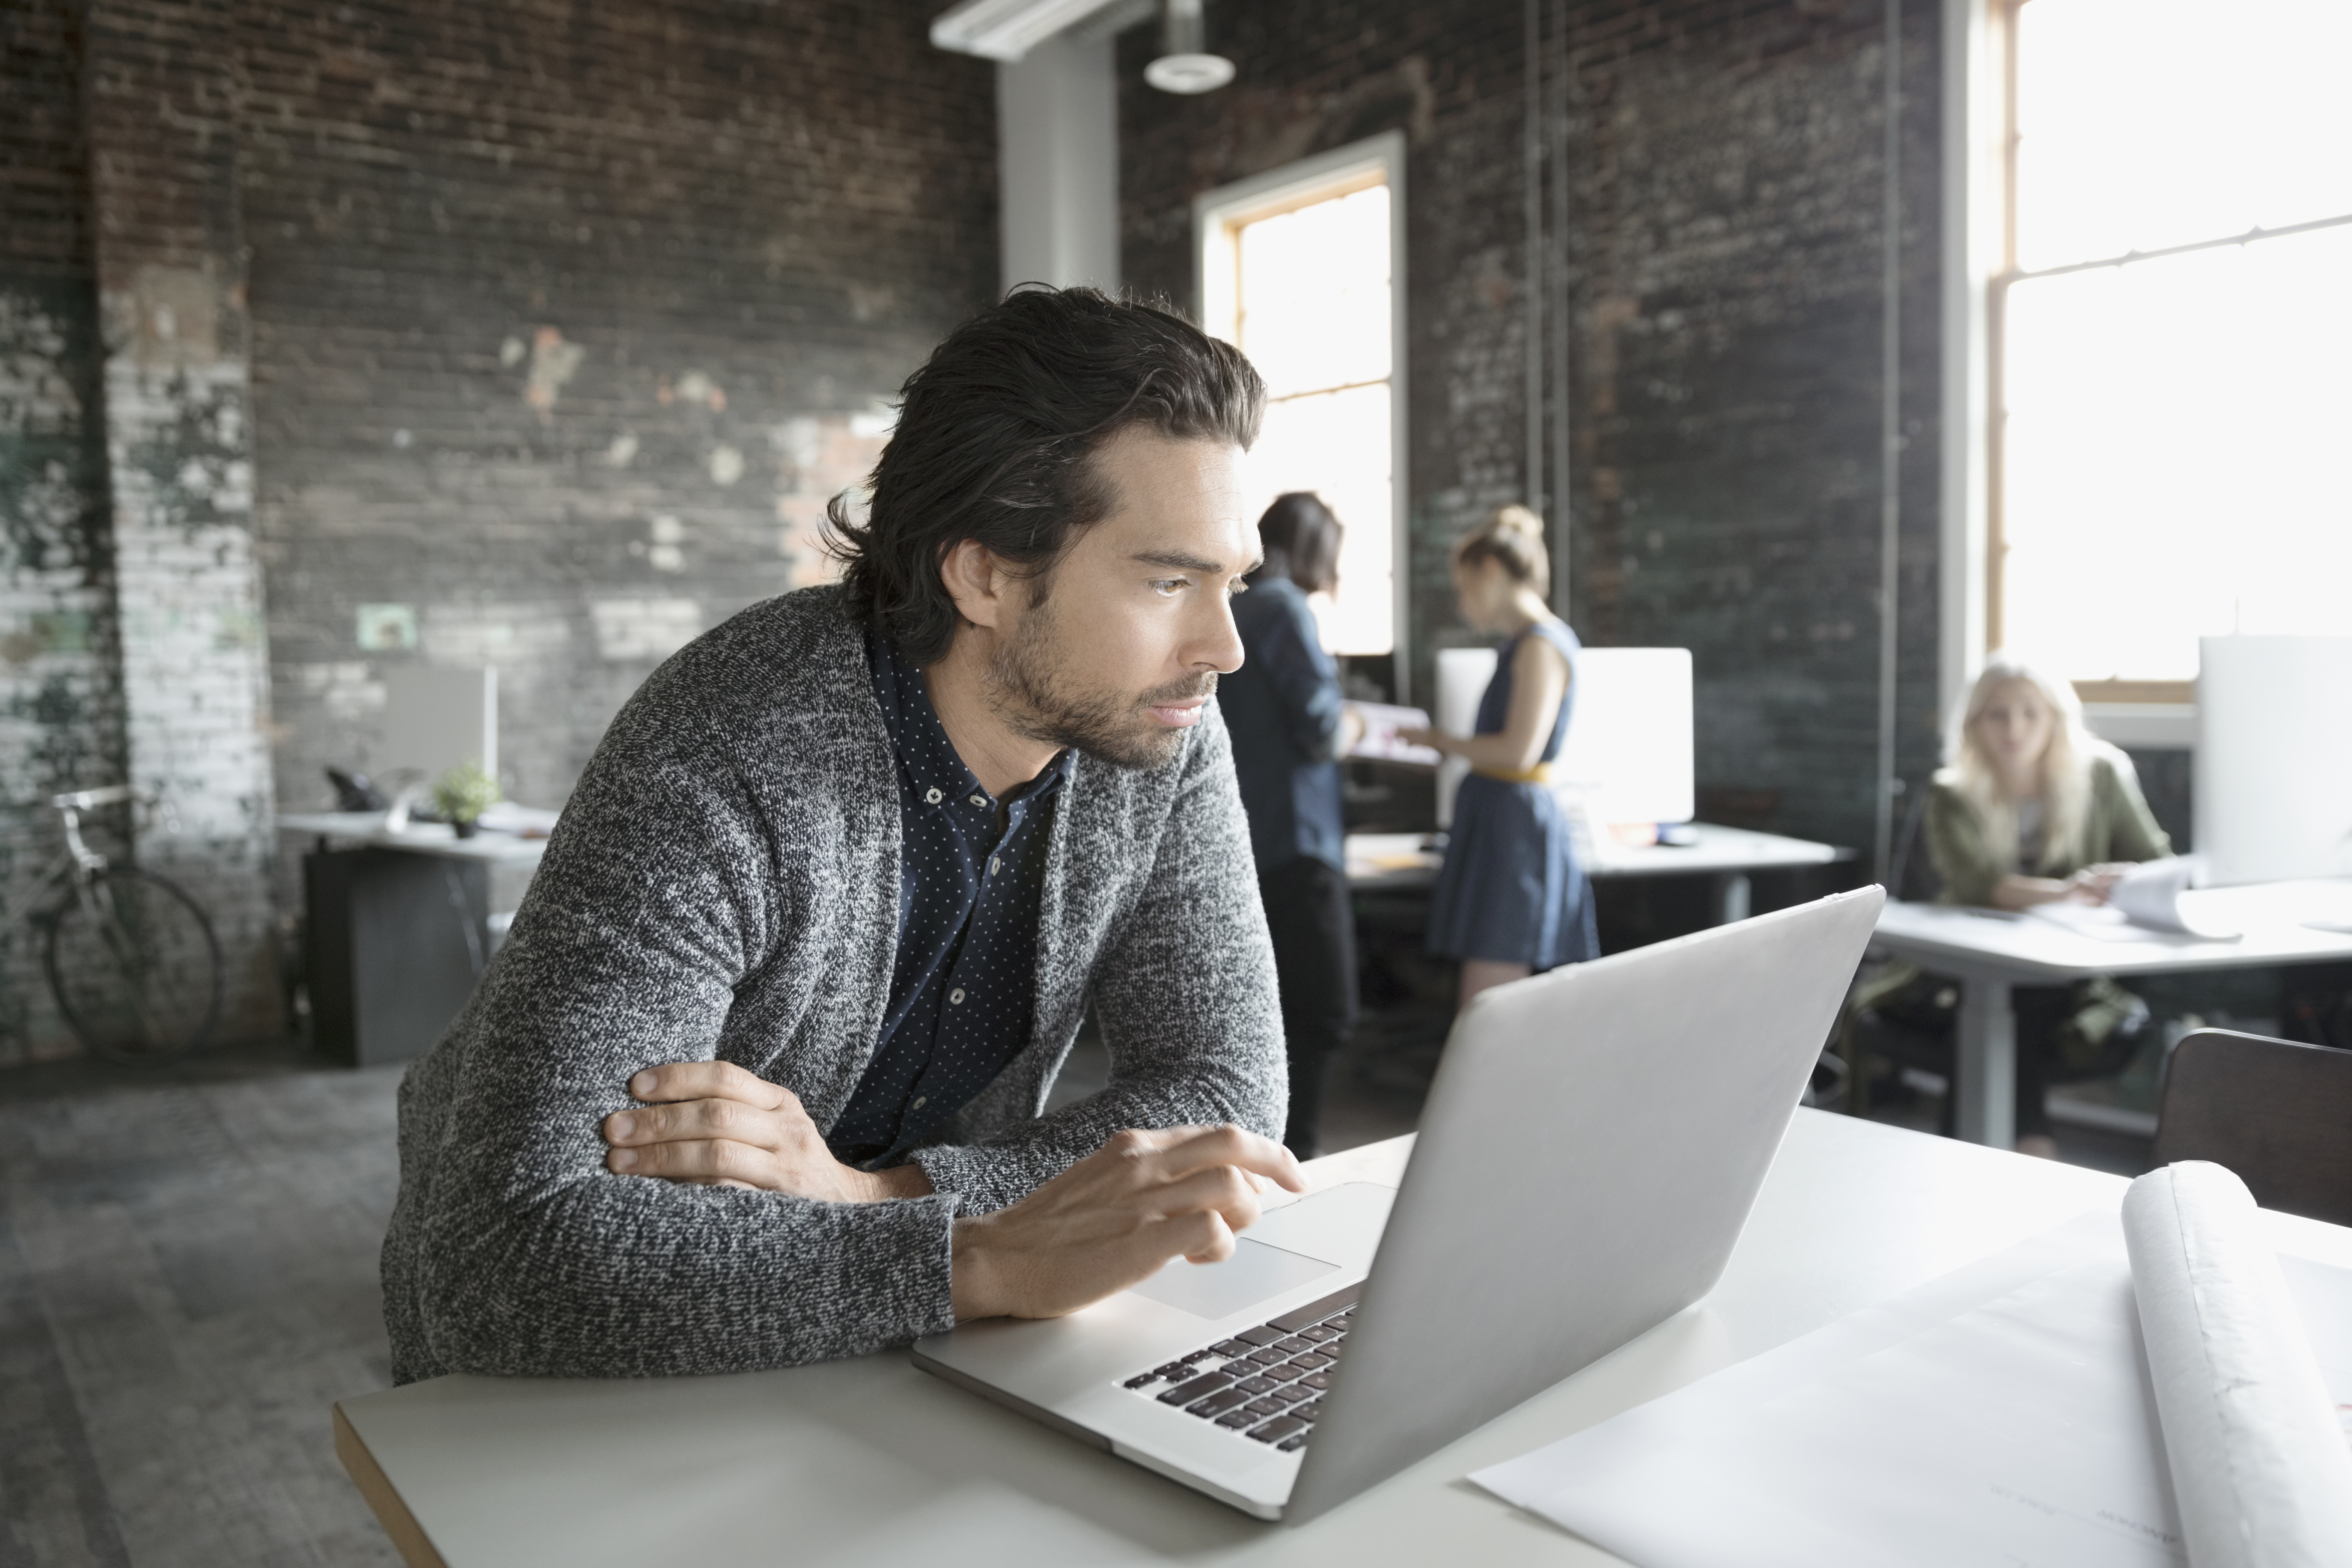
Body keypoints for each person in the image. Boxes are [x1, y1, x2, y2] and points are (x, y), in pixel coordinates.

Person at [380, 287, 1308, 1383]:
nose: (1226, 646)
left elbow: (1223, 1093)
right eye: (1168, 581)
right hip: (560, 1393)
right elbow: (506, 1257)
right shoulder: (731, 744)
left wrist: (886, 1198)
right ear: (986, 575)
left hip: (890, 1352)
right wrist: (983, 1256)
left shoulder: (1154, 728)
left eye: (1232, 583)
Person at [1919, 652, 2173, 1156]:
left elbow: (2156, 861)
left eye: (2030, 712)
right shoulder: (1950, 792)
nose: (2015, 728)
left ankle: (1959, 1161)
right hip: (1974, 959)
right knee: (2007, 1002)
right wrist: (2067, 890)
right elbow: (1976, 884)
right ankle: (2032, 1147)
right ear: (1974, 723)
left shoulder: (2099, 773)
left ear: (2055, 718)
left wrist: (2122, 880)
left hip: (2073, 968)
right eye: (1997, 713)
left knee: (2007, 1017)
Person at [1400, 506, 1598, 1011]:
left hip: (1515, 831)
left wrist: (1441, 740)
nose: (1464, 606)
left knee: (1490, 1000)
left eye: (1465, 588)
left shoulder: (1539, 646)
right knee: (1489, 989)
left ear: (1491, 571)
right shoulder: (1522, 645)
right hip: (1500, 822)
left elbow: (1517, 751)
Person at [1221, 493, 1361, 1157]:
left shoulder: (1234, 607)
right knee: (1324, 1011)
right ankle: (1293, 1156)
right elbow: (1321, 727)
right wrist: (1359, 723)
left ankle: (1263, 1158)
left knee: (1265, 1016)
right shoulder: (1282, 607)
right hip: (1298, 839)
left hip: (1243, 837)